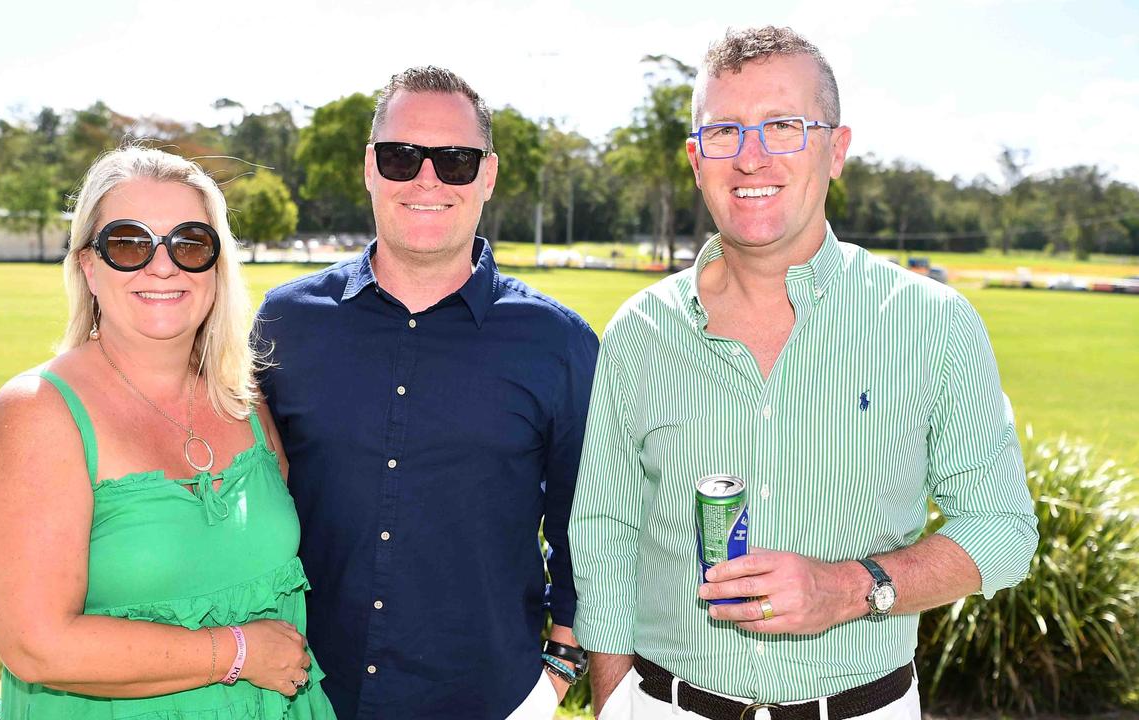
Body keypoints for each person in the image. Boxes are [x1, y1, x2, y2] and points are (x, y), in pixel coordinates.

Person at [569, 27, 1038, 720]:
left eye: (783, 126)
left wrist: (852, 588)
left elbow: (1002, 531)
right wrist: (613, 704)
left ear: (836, 150)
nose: (750, 157)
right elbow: (606, 532)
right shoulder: (639, 332)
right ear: (696, 159)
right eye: (723, 132)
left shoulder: (932, 322)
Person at [255, 66, 599, 720]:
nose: (426, 180)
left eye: (456, 161)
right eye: (401, 156)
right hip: (304, 699)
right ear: (368, 167)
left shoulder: (558, 344)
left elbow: (591, 533)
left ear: (488, 176)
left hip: (488, 699)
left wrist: (556, 673)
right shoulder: (285, 323)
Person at [0, 146, 336, 719]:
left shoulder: (245, 402)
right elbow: (35, 646)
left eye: (189, 242)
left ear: (217, 264)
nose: (161, 266)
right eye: (129, 242)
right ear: (88, 265)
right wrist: (236, 652)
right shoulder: (39, 413)